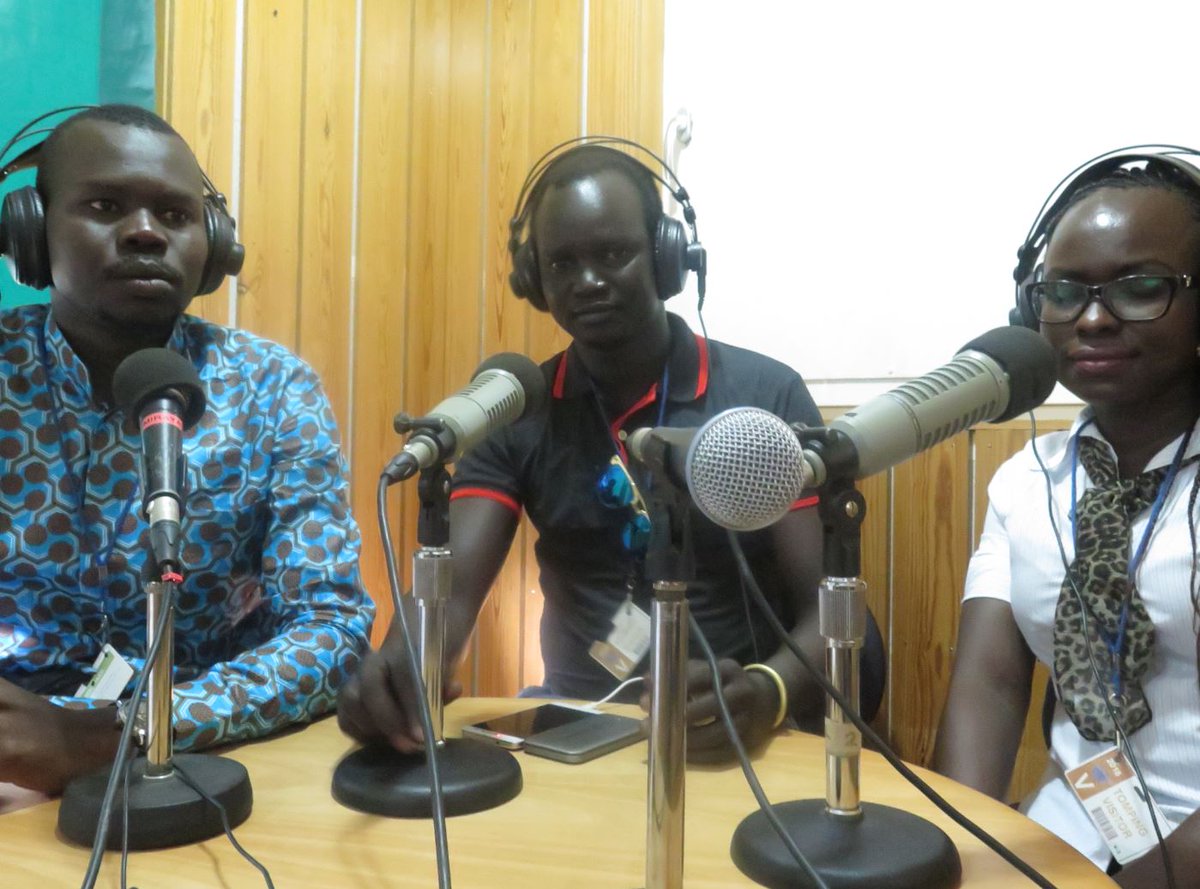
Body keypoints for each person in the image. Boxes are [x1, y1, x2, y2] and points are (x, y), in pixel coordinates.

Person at [338, 143, 884, 764]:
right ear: (534, 278)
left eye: (614, 254)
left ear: (665, 257)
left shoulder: (762, 395)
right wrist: (400, 670)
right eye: (562, 263)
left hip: (733, 734)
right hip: (572, 734)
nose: (588, 281)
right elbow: (451, 595)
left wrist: (769, 691)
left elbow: (831, 608)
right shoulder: (519, 411)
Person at [0, 105, 373, 794]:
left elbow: (331, 626)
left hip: (216, 767)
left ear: (214, 245)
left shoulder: (272, 387)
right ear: (30, 231)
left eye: (174, 214)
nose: (145, 231)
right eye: (105, 206)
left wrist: (132, 727)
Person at [934, 158, 1200, 886]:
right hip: (1067, 833)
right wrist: (960, 847)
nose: (1092, 318)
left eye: (1140, 288)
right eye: (1063, 292)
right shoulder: (1028, 481)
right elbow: (990, 684)